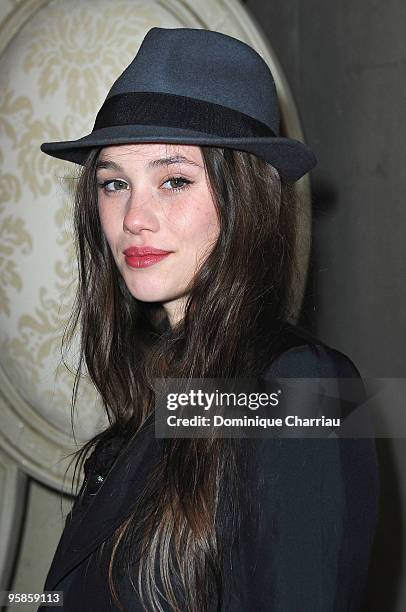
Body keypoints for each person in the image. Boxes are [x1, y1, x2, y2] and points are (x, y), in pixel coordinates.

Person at [38, 27, 379, 612]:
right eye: (114, 183)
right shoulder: (154, 399)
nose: (134, 218)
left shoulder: (302, 389)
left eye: (174, 180)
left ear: (245, 197)